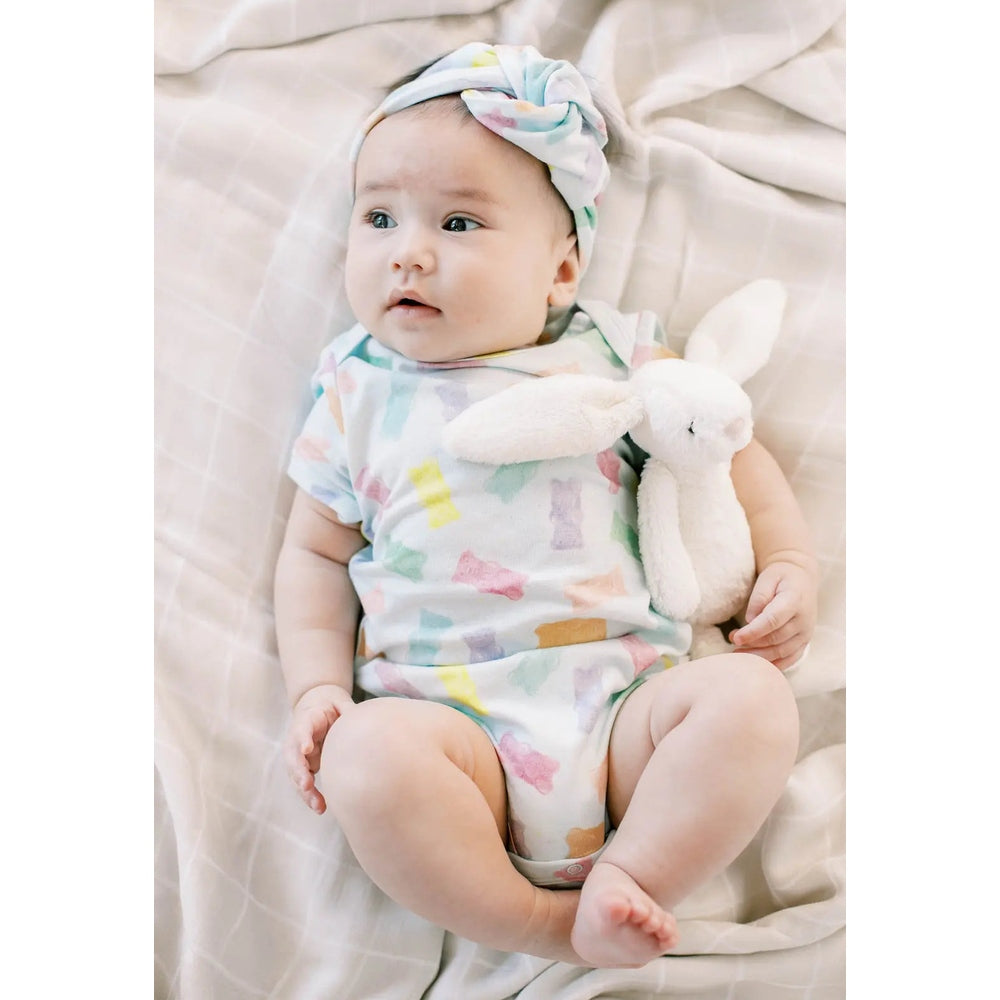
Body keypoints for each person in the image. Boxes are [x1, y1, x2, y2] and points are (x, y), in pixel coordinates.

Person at [274, 42, 817, 969]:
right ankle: (541, 927)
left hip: (626, 709)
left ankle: (633, 873)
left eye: (457, 222)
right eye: (378, 216)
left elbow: (727, 444)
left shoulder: (611, 353)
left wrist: (790, 562)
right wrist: (317, 686)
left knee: (754, 702)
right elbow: (316, 555)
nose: (408, 251)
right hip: (450, 732)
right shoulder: (354, 391)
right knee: (364, 759)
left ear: (561, 272)